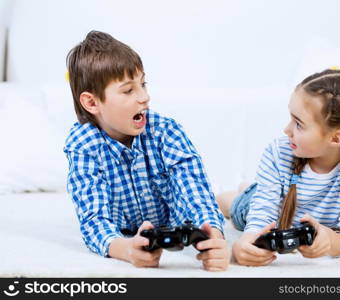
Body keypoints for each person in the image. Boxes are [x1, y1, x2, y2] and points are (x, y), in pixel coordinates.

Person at [64, 31, 229, 271]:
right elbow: (94, 222)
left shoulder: (165, 131)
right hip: (127, 227)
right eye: (128, 90)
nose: (144, 97)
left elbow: (195, 194)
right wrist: (127, 249)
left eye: (143, 84)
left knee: (223, 203)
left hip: (173, 217)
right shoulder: (83, 145)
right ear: (92, 103)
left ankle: (231, 199)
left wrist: (214, 237)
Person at [217, 69, 340, 266]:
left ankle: (250, 186)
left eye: (298, 124)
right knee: (236, 205)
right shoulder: (279, 151)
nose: (286, 130)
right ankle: (236, 192)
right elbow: (261, 213)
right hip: (270, 207)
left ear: (336, 138)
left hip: (284, 191)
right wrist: (246, 242)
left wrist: (329, 241)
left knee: (257, 190)